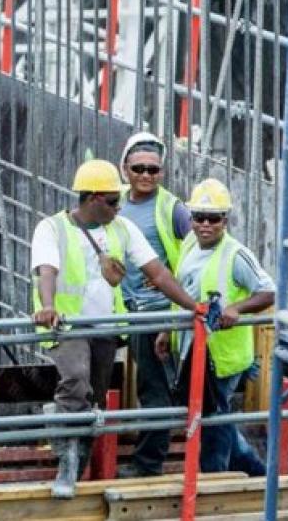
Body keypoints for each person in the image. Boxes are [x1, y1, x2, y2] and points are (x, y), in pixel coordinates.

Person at [30, 159, 197, 499]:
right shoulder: (52, 228)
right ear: (91, 198)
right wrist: (48, 306)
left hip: (105, 328)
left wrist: (194, 307)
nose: (118, 206)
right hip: (66, 325)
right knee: (75, 379)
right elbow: (46, 270)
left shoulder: (120, 228)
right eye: (111, 201)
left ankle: (76, 469)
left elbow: (158, 274)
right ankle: (66, 466)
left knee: (94, 401)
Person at [159, 179, 274, 475]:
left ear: (226, 220)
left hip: (223, 355)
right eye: (199, 218)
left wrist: (236, 308)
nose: (205, 225)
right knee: (213, 414)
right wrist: (168, 330)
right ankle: (254, 470)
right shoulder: (188, 244)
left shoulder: (235, 255)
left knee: (213, 418)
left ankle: (214, 477)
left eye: (214, 219)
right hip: (192, 348)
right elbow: (184, 289)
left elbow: (268, 291)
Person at [117, 132, 193, 477]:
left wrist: (168, 276)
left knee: (155, 389)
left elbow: (198, 253)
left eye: (153, 169)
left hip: (160, 311)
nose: (146, 175)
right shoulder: (114, 202)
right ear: (125, 169)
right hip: (124, 310)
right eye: (139, 168)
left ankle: (147, 466)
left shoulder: (172, 208)